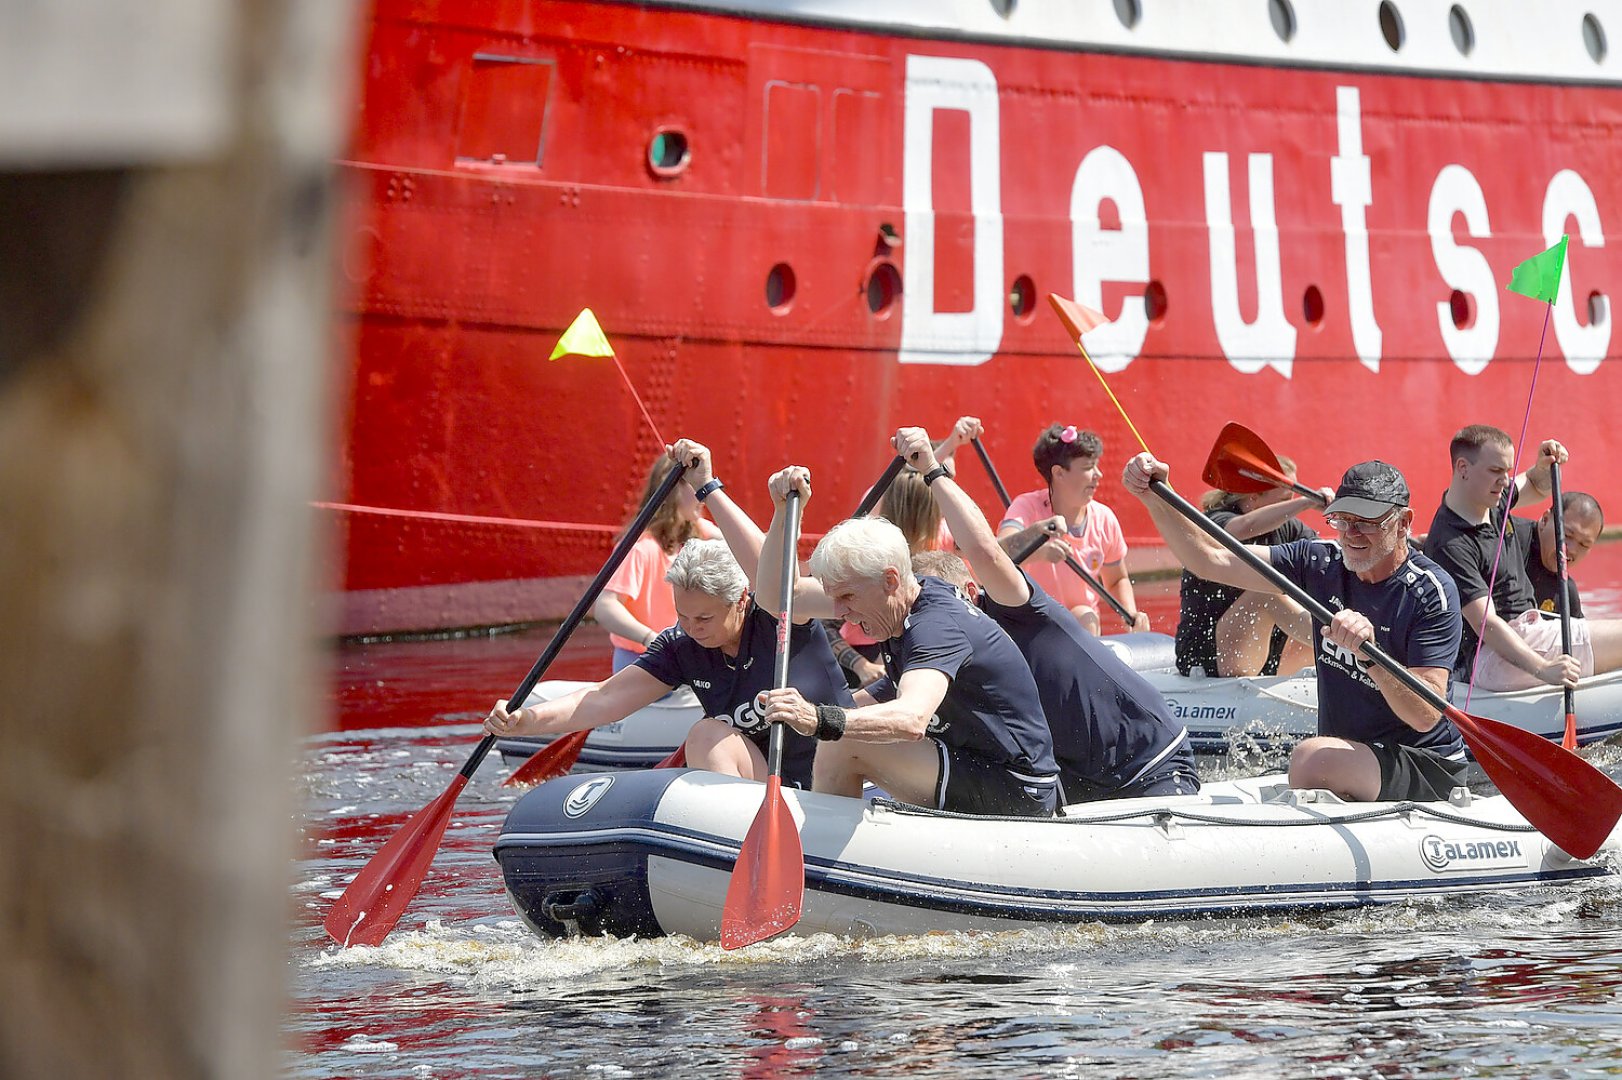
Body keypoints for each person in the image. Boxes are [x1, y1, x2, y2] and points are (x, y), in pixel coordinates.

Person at [1124, 452, 1467, 803]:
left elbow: (1427, 716)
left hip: (1424, 763)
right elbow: (1211, 560)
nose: (1351, 533)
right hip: (1354, 756)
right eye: (1343, 520)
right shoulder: (1321, 562)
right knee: (1312, 759)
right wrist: (1155, 497)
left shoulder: (1429, 592)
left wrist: (1372, 657)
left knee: (1308, 759)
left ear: (1404, 522)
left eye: (1366, 522)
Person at [895, 426, 1199, 801]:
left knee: (1086, 612)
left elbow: (988, 552)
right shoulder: (937, 645)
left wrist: (933, 469)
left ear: (971, 594)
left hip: (1145, 760)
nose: (932, 622)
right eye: (1088, 467)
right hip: (1074, 771)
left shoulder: (1010, 609)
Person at [755, 465, 1061, 817]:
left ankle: (821, 859)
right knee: (843, 724)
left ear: (890, 580)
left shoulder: (936, 626)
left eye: (848, 598)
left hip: (1018, 788)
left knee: (843, 738)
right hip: (971, 763)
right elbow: (780, 596)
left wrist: (815, 717)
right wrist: (783, 514)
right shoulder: (897, 600)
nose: (840, 612)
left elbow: (912, 719)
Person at [485, 516, 853, 787]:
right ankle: (733, 843)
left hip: (840, 769)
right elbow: (605, 697)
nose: (692, 628)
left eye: (705, 617)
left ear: (742, 600)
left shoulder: (782, 613)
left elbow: (782, 570)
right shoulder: (681, 645)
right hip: (771, 784)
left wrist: (714, 490)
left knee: (707, 733)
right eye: (683, 615)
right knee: (706, 734)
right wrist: (526, 721)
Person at [1422, 425, 1622, 692]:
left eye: (1507, 471)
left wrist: (1544, 463)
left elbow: (1536, 485)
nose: (1505, 481)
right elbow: (1486, 624)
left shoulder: (1491, 500)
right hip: (1494, 658)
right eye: (1495, 471)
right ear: (1463, 468)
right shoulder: (1451, 542)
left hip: (1528, 635)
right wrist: (1543, 668)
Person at [1175, 460, 1332, 678]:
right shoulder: (1215, 520)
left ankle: (1351, 657)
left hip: (1264, 655)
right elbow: (1241, 528)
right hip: (1205, 656)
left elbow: (1324, 559)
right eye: (1287, 500)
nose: (1291, 506)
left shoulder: (1288, 528)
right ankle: (1340, 646)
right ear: (1254, 496)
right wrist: (1306, 503)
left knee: (1323, 589)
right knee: (1267, 590)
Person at [996, 423, 1150, 635]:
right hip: (1030, 619)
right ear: (1059, 473)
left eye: (1097, 466)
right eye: (1088, 468)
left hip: (1082, 620)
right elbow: (998, 553)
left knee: (1086, 616)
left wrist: (1131, 615)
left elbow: (1116, 579)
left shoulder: (1104, 518)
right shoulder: (1026, 507)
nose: (1099, 475)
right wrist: (1039, 551)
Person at [594, 453, 720, 672]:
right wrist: (650, 638)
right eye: (697, 486)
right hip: (641, 662)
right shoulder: (641, 547)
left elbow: (742, 546)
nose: (704, 495)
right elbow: (605, 606)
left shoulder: (699, 531)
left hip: (681, 660)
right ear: (674, 488)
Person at [1523, 491, 1604, 619]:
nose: (1571, 549)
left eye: (1584, 544)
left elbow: (1579, 636)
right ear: (1545, 520)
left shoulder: (1566, 593)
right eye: (1567, 535)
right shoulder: (1510, 542)